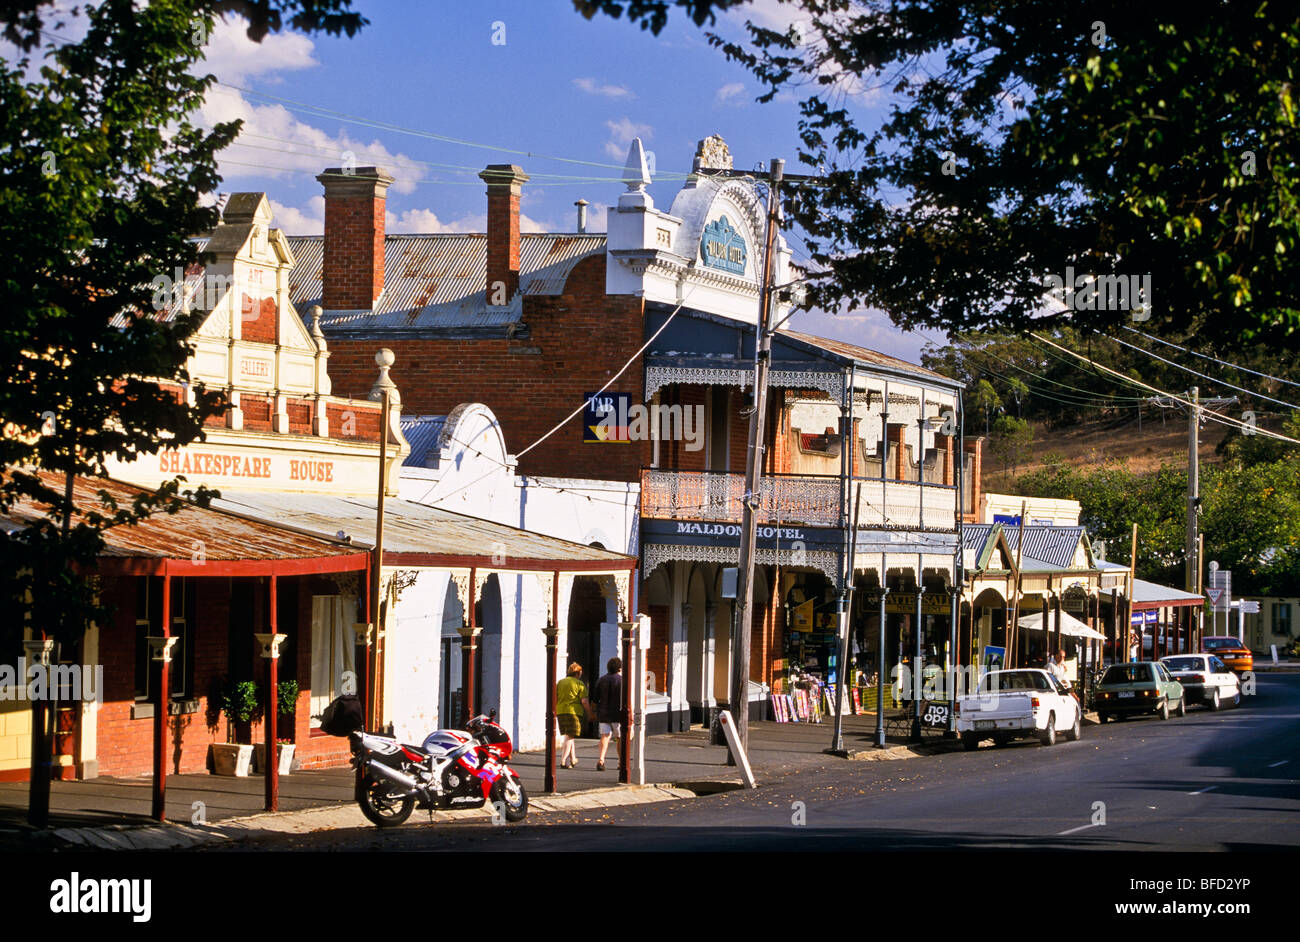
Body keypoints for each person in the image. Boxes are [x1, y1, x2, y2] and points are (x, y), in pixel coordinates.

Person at [554, 662, 590, 769]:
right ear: (578, 673)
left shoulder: (560, 682)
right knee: (570, 736)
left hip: (560, 711)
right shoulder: (579, 684)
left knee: (569, 735)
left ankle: (573, 758)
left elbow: (555, 697)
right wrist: (590, 713)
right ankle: (563, 761)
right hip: (573, 712)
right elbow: (584, 701)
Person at [592, 656, 623, 772]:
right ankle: (621, 761)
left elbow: (595, 698)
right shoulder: (621, 681)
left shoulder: (601, 680)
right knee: (619, 738)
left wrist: (593, 712)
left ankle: (601, 760)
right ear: (619, 668)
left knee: (604, 737)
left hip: (603, 713)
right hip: (617, 714)